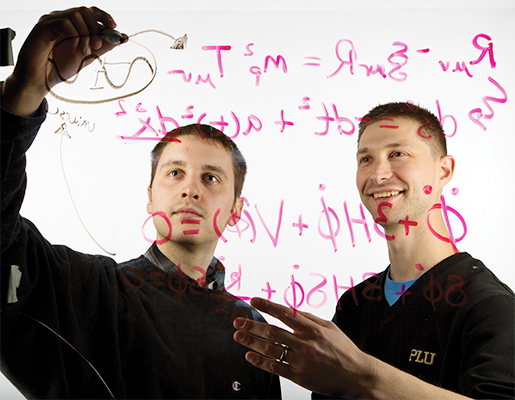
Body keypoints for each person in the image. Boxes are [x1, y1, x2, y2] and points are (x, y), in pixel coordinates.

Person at [0, 6, 281, 399]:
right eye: (174, 173)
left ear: (236, 210)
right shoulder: (92, 293)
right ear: (150, 198)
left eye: (211, 178)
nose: (190, 190)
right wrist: (21, 96)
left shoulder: (249, 329)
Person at [232, 103, 515, 399]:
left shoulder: (490, 307)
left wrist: (364, 375)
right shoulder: (355, 306)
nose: (378, 174)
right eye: (366, 159)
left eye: (397, 154)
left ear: (443, 171)